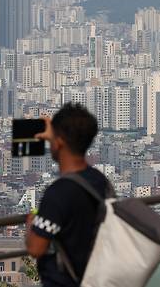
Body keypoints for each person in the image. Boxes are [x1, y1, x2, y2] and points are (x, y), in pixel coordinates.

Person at [25, 103, 110, 287]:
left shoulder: (58, 193)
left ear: (60, 141)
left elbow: (35, 248)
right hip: (96, 278)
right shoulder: (99, 180)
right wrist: (55, 136)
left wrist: (31, 225)